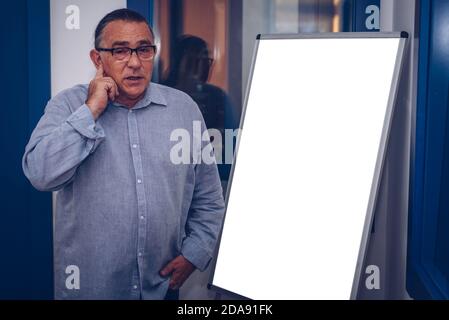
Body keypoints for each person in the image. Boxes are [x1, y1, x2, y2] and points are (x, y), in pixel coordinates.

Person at [22, 8, 225, 300]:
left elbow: (209, 197)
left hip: (161, 288)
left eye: (143, 49)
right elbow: (40, 173)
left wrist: (196, 252)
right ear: (97, 59)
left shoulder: (184, 110)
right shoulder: (68, 105)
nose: (134, 63)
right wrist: (90, 110)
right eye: (120, 51)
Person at [163, 35, 238, 182]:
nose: (200, 68)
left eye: (206, 61)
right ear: (179, 63)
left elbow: (232, 148)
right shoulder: (161, 96)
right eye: (193, 61)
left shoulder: (218, 98)